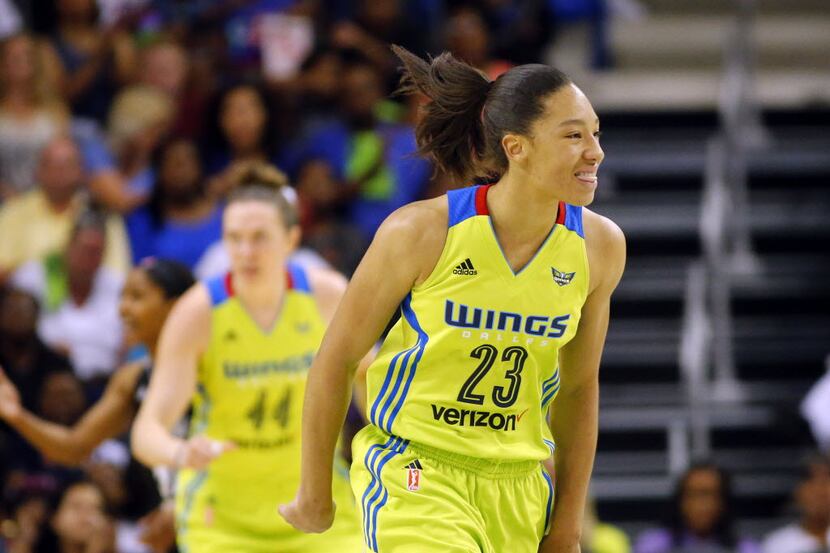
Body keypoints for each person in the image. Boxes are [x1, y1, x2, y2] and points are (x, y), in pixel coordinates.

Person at [280, 46, 626, 553]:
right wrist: (315, 492)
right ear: (516, 147)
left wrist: (567, 526)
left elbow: (577, 390)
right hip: (417, 473)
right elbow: (337, 358)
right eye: (573, 135)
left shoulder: (600, 247)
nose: (594, 151)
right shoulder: (421, 231)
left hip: (520, 487)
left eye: (595, 133)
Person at [131, 164, 363, 552]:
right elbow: (147, 430)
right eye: (234, 239)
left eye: (259, 238)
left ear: (291, 239)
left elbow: (369, 383)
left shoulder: (327, 296)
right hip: (222, 522)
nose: (245, 252)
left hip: (321, 511)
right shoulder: (198, 312)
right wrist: (181, 452)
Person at [0, 258, 194, 553]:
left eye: (137, 297)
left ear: (177, 306)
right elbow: (73, 447)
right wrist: (18, 416)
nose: (122, 309)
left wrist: (178, 507)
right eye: (122, 297)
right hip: (162, 531)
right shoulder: (132, 378)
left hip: (217, 519)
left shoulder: (214, 369)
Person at [11, 210, 124, 385]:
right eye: (84, 249)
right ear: (68, 245)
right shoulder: (34, 276)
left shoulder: (118, 285)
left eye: (96, 252)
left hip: (102, 381)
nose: (89, 259)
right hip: (42, 379)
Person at [0, 135, 131, 281]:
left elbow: (118, 274)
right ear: (37, 171)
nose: (59, 174)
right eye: (52, 166)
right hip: (23, 299)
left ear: (82, 172)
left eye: (66, 166)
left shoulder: (101, 214)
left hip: (87, 299)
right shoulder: (14, 212)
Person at [634, 462, 761, 553]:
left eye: (710, 494)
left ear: (724, 502)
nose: (702, 504)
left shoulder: (746, 549)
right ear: (680, 500)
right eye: (693, 494)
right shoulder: (651, 546)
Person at [762, 455, 830, 553]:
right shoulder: (777, 544)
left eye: (825, 482)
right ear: (798, 493)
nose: (819, 491)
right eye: (811, 483)